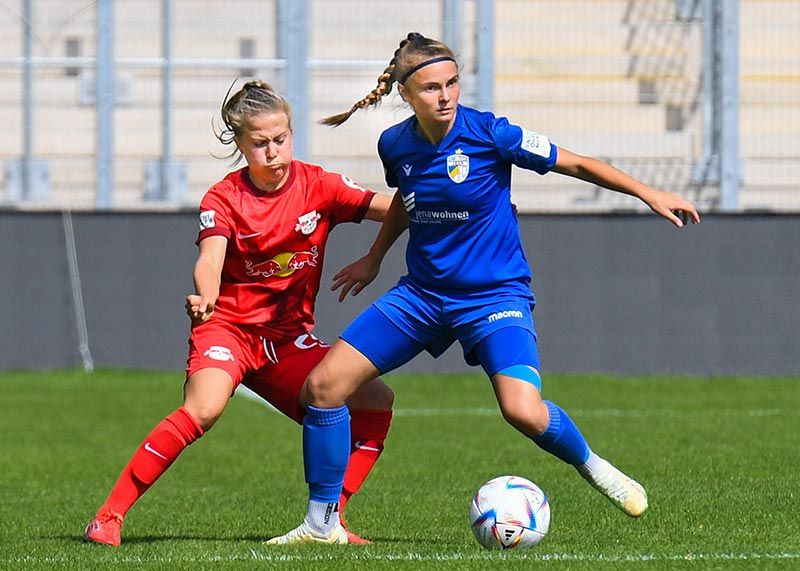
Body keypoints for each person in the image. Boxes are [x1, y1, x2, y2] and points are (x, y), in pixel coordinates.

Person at [266, 32, 701, 545]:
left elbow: (579, 163)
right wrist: (373, 258)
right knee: (323, 387)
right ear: (405, 93)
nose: (445, 96)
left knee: (521, 409)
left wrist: (648, 193)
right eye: (431, 88)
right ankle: (322, 525)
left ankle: (595, 466)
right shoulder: (395, 143)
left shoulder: (492, 133)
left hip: (494, 298)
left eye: (452, 83)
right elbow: (407, 198)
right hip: (422, 297)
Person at [83, 80, 395, 547]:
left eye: (281, 138)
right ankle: (107, 518)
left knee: (376, 401)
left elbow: (396, 207)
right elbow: (210, 258)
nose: (273, 151)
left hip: (288, 341)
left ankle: (329, 521)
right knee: (203, 410)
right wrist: (205, 296)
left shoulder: (320, 186)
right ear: (240, 143)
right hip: (228, 330)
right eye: (260, 143)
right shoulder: (224, 197)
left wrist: (455, 213)